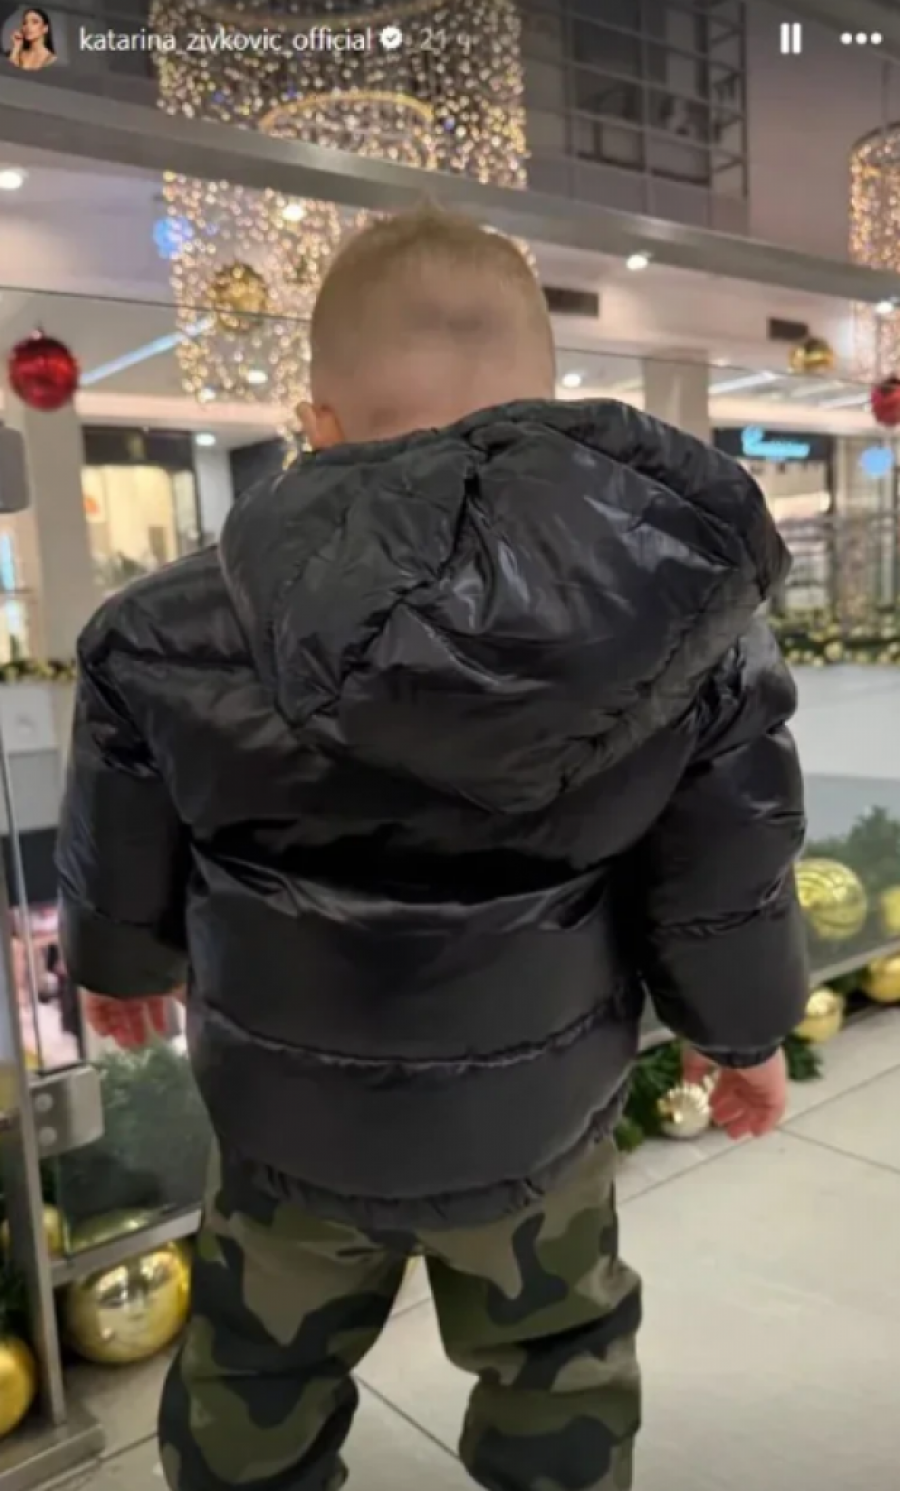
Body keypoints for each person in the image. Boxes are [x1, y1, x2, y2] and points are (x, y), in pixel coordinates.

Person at [57, 206, 808, 1491]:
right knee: (558, 1361)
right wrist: (742, 1036)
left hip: (288, 1125)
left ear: (318, 422)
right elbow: (725, 882)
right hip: (539, 1124)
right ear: (548, 408)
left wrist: (120, 967)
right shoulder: (683, 633)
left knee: (256, 1373)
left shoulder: (158, 631)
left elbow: (120, 858)